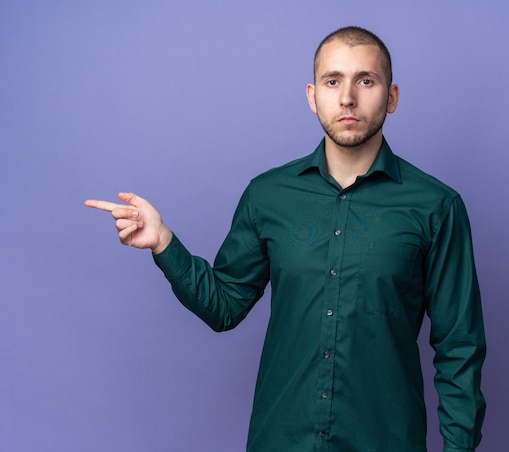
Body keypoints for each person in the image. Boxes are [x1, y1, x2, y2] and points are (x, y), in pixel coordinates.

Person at [86, 26, 486, 452]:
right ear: (313, 96)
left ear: (391, 96)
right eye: (333, 81)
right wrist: (164, 241)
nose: (347, 98)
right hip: (281, 440)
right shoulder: (267, 196)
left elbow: (459, 347)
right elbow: (224, 306)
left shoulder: (436, 206)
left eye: (365, 81)